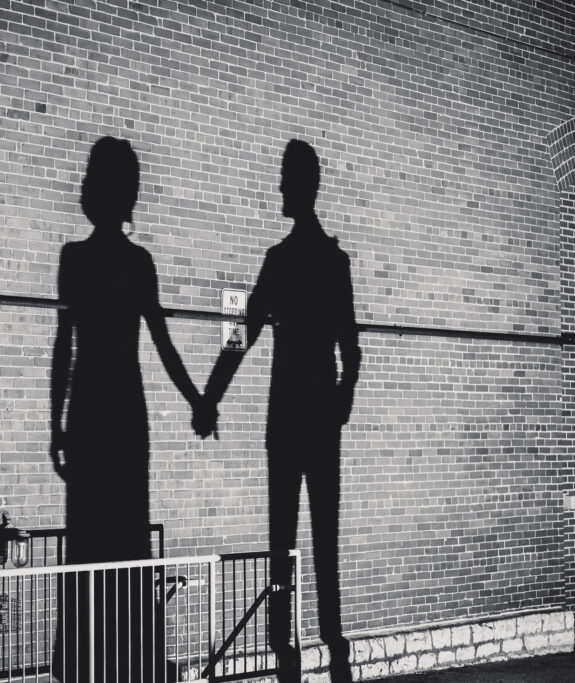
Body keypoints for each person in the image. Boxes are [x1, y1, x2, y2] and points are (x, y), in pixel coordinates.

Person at [194, 139, 361, 683]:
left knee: (282, 540)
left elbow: (239, 339)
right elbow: (351, 347)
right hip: (319, 417)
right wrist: (342, 396)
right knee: (324, 538)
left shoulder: (280, 262)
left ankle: (282, 645)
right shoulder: (332, 263)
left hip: (286, 416)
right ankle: (332, 643)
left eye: (285, 180)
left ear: (302, 185)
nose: (279, 189)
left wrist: (210, 397)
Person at [50, 136, 200, 683]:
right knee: (126, 543)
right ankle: (131, 662)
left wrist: (56, 425)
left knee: (87, 545)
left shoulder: (75, 259)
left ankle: (84, 666)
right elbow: (162, 343)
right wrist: (198, 402)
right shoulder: (138, 264)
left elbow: (63, 348)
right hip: (123, 418)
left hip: (89, 417)